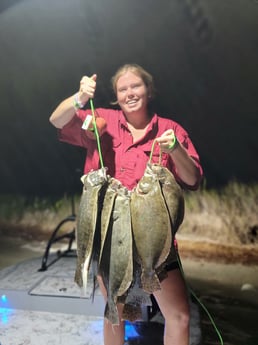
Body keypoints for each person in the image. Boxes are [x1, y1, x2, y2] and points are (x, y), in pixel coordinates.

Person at [49, 64, 203, 345]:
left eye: (136, 86)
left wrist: (175, 149)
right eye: (123, 88)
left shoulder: (170, 129)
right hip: (109, 237)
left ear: (148, 90)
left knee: (179, 315)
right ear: (116, 96)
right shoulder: (101, 119)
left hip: (154, 239)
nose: (130, 92)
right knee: (114, 312)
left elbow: (192, 179)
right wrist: (79, 98)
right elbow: (57, 120)